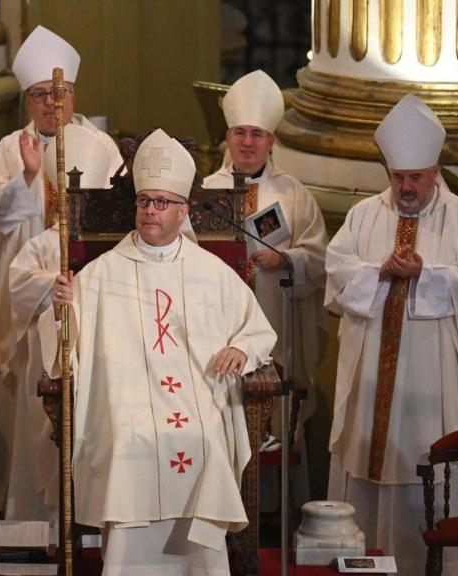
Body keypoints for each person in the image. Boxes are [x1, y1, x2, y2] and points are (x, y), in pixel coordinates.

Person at [42, 129, 276, 574]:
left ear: (183, 210)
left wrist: (241, 349)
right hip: (126, 401)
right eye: (144, 200)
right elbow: (64, 347)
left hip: (197, 397)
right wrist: (60, 313)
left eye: (162, 202)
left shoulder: (213, 273)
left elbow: (257, 330)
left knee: (205, 438)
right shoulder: (99, 274)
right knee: (130, 437)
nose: (150, 210)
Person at [325, 94, 458, 575]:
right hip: (372, 372)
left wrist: (425, 274)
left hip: (431, 375)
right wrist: (380, 271)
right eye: (398, 177)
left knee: (428, 464)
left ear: (435, 170)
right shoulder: (365, 215)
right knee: (367, 462)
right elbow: (337, 272)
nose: (406, 187)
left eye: (415, 177)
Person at [0, 25, 123, 511]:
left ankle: (88, 514)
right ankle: (31, 518)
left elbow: (119, 215)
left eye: (58, 94)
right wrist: (29, 176)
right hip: (32, 303)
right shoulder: (9, 148)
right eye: (40, 95)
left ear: (73, 94)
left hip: (89, 299)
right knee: (30, 413)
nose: (50, 104)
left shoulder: (101, 147)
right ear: (28, 100)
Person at [202, 70, 328, 456]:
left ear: (271, 141)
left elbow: (320, 257)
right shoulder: (206, 193)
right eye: (240, 132)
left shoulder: (293, 194)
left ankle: (275, 511)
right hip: (218, 331)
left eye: (257, 134)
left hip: (277, 323)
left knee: (277, 419)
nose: (248, 142)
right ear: (227, 137)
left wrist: (286, 259)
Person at [5, 124, 114, 523]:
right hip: (52, 365)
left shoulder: (115, 244)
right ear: (55, 196)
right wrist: (50, 287)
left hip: (103, 365)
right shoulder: (42, 245)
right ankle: (48, 533)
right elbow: (17, 288)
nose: (76, 206)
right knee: (51, 447)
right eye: (69, 197)